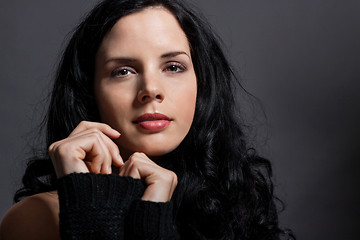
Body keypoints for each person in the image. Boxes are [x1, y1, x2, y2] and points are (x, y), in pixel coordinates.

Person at [0, 0, 295, 239]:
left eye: (173, 67)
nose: (151, 90)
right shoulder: (40, 217)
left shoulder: (237, 202)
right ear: (90, 91)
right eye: (123, 71)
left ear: (201, 84)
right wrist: (91, 212)